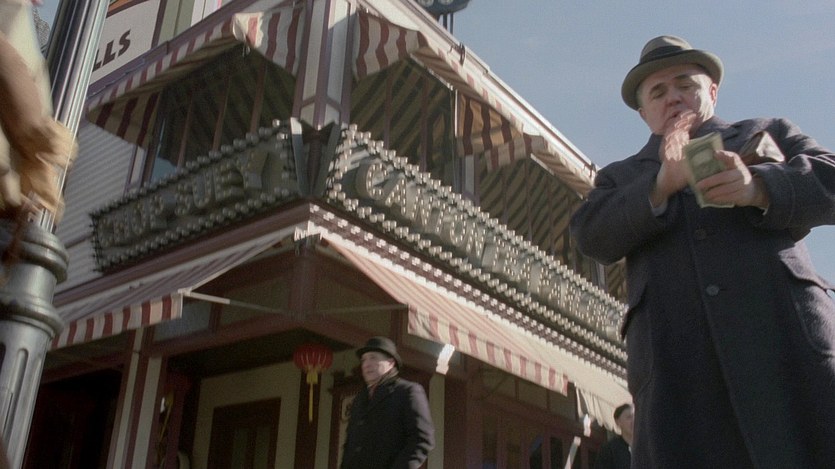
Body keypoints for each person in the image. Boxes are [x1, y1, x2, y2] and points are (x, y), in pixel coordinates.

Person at [570, 35, 835, 468]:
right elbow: (590, 236)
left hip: (788, 354)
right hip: (680, 385)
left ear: (712, 91)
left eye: (685, 84)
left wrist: (759, 187)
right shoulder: (621, 177)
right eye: (658, 92)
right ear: (644, 113)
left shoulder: (767, 132)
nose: (673, 97)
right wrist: (661, 186)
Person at [340, 336, 435, 469]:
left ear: (390, 363)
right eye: (364, 360)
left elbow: (422, 440)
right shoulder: (359, 399)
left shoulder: (407, 392)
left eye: (373, 358)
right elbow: (350, 445)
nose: (366, 364)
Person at [593, 403, 633, 469]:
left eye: (635, 417)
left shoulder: (646, 448)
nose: (633, 420)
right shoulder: (609, 450)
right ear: (618, 422)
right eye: (629, 417)